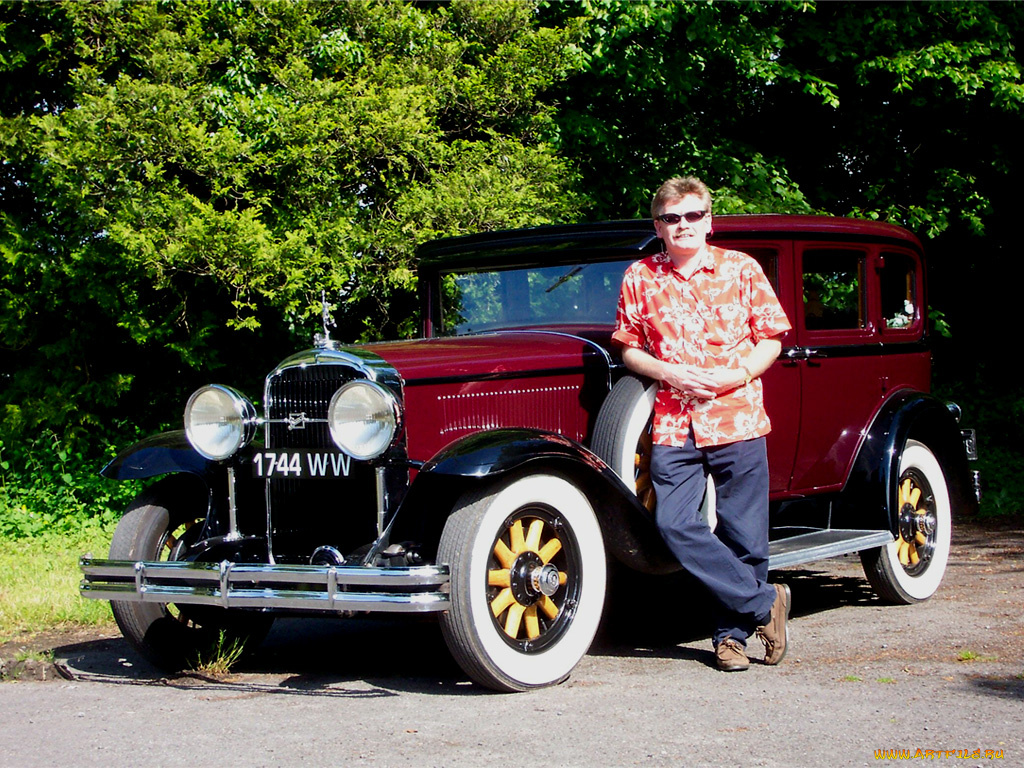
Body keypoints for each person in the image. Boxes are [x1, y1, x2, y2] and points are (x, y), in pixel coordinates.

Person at [612, 176, 793, 671]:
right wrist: (666, 371)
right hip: (673, 422)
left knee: (744, 535)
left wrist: (739, 374)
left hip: (737, 417)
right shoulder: (639, 277)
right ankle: (764, 604)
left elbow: (771, 338)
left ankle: (730, 638)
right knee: (673, 523)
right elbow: (628, 349)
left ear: (709, 221)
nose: (683, 225)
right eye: (672, 218)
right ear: (658, 226)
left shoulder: (742, 269)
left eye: (693, 215)